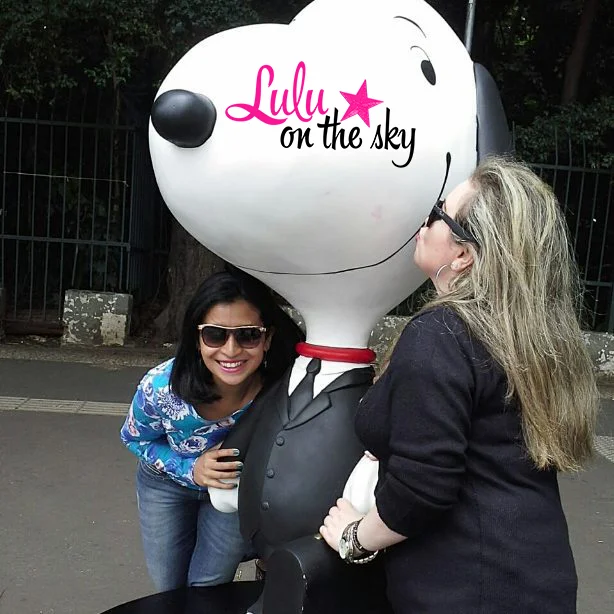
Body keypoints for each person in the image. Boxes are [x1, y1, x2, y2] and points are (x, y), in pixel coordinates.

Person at [319, 156, 599, 613]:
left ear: (463, 254)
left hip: (464, 589)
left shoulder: (441, 334)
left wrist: (355, 536)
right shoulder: (528, 337)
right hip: (536, 578)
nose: (425, 222)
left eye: (438, 213)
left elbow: (421, 490)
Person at [120, 270, 303, 592]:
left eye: (248, 335)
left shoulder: (284, 388)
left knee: (209, 584)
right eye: (215, 335)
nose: (231, 350)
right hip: (165, 486)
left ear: (268, 338)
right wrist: (191, 468)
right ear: (196, 338)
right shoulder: (161, 386)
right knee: (168, 584)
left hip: (235, 490)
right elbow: (135, 438)